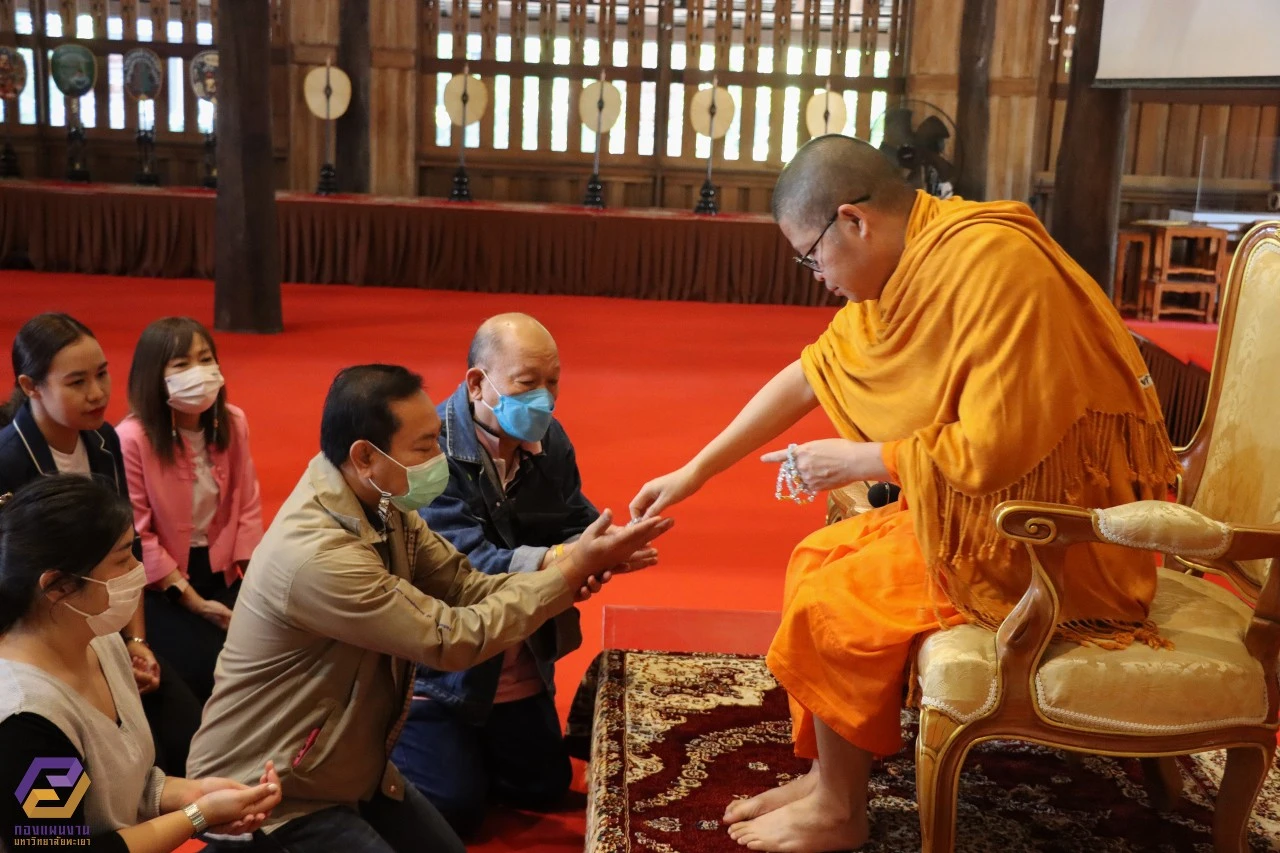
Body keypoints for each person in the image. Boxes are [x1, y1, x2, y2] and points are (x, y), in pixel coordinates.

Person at [630, 135, 1180, 853]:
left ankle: (839, 812)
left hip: (1062, 537)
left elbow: (996, 450)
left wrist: (863, 456)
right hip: (986, 514)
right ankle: (831, 776)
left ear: (854, 221)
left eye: (811, 256)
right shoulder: (910, 260)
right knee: (817, 559)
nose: (814, 275)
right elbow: (811, 373)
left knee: (838, 604)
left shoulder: (992, 265)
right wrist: (695, 471)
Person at [187, 364, 672, 853]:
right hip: (270, 792)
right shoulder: (319, 556)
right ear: (364, 456)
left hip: (350, 767)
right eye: (423, 447)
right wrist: (566, 575)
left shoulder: (381, 500)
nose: (439, 458)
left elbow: (465, 585)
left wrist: (570, 569)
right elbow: (449, 639)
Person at [392, 314, 652, 835]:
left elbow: (576, 520)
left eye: (553, 381)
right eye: (527, 384)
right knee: (455, 812)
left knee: (543, 787)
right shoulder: (430, 452)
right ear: (476, 382)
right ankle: (393, 739)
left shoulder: (550, 440)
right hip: (443, 668)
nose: (545, 398)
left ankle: (471, 747)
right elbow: (467, 568)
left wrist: (603, 551)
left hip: (518, 656)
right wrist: (570, 560)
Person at [0, 475, 282, 853]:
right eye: (122, 559)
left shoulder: (99, 641)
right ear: (58, 587)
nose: (138, 570)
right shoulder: (30, 718)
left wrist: (194, 793)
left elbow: (121, 787)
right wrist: (197, 816)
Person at [0, 312, 202, 777]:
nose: (97, 393)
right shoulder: (7, 463)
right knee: (77, 795)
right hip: (42, 642)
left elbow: (124, 556)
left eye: (102, 374)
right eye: (77, 382)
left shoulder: (104, 441)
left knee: (190, 736)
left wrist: (134, 642)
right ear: (31, 386)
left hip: (102, 630)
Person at [118, 317, 264, 702]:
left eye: (205, 359)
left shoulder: (233, 421)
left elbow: (247, 506)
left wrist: (256, 589)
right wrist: (196, 604)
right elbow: (140, 537)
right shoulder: (132, 438)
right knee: (213, 668)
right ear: (154, 375)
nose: (199, 373)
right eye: (182, 365)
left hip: (225, 575)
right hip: (163, 588)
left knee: (271, 658)